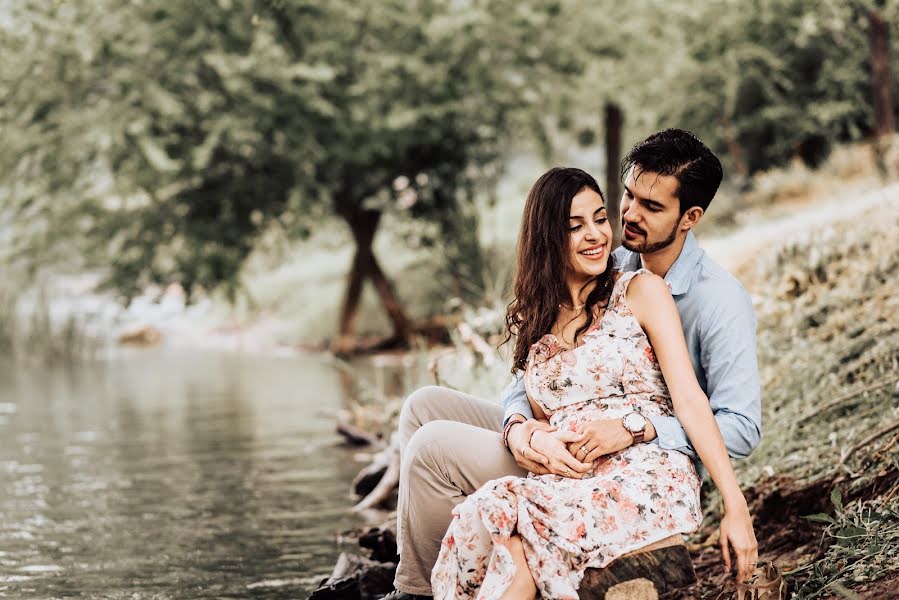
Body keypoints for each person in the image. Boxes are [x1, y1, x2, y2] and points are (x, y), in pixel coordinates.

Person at [382, 129, 761, 600]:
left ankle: (422, 589)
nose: (628, 216)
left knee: (433, 447)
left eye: (651, 206)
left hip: (631, 461)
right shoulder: (611, 264)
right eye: (626, 196)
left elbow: (735, 424)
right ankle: (421, 574)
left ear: (691, 217)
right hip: (562, 431)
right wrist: (520, 429)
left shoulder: (716, 301)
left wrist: (637, 428)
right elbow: (528, 379)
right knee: (423, 407)